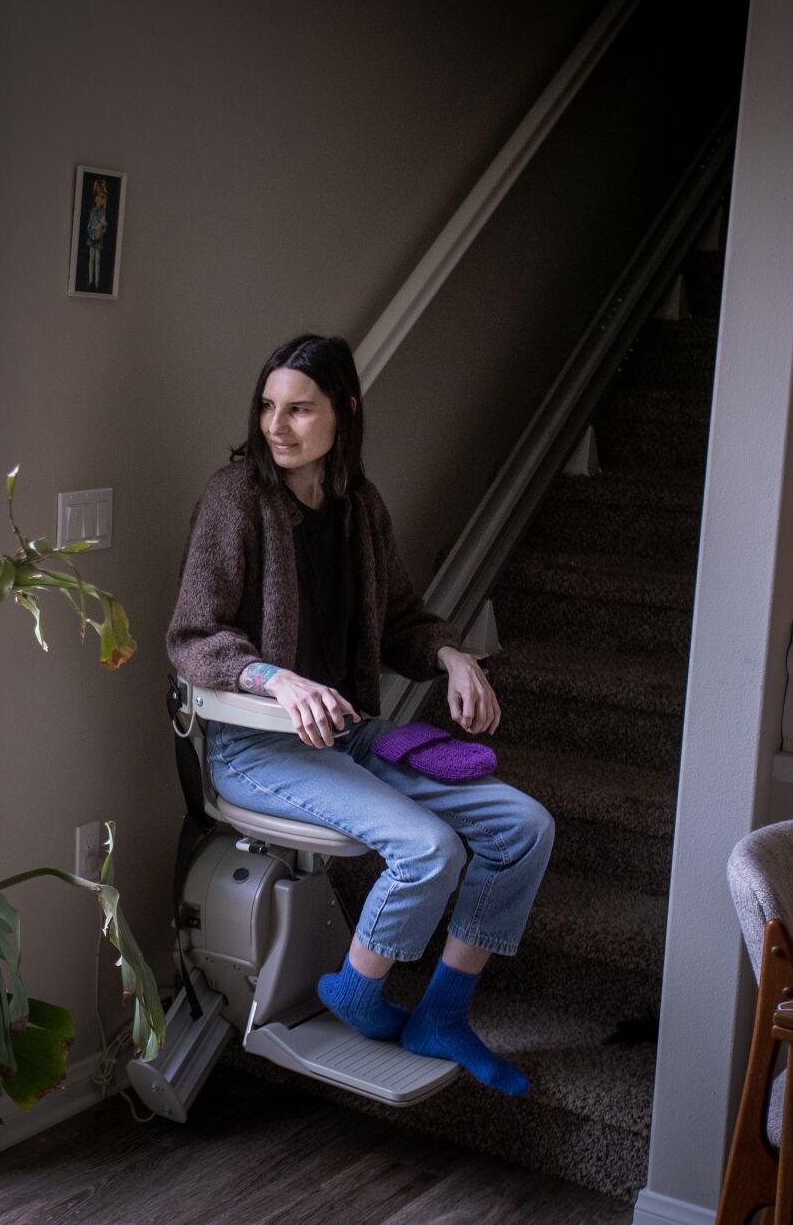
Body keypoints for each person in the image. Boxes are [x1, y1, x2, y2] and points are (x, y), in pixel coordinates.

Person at [166, 333, 554, 1095]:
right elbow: (192, 637)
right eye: (268, 406)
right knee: (431, 847)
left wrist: (451, 655)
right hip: (255, 748)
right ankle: (357, 990)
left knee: (523, 827)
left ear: (343, 412)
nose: (277, 425)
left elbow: (402, 618)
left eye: (299, 409)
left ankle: (443, 1010)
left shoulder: (360, 508)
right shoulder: (234, 498)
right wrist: (274, 678)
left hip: (346, 736)